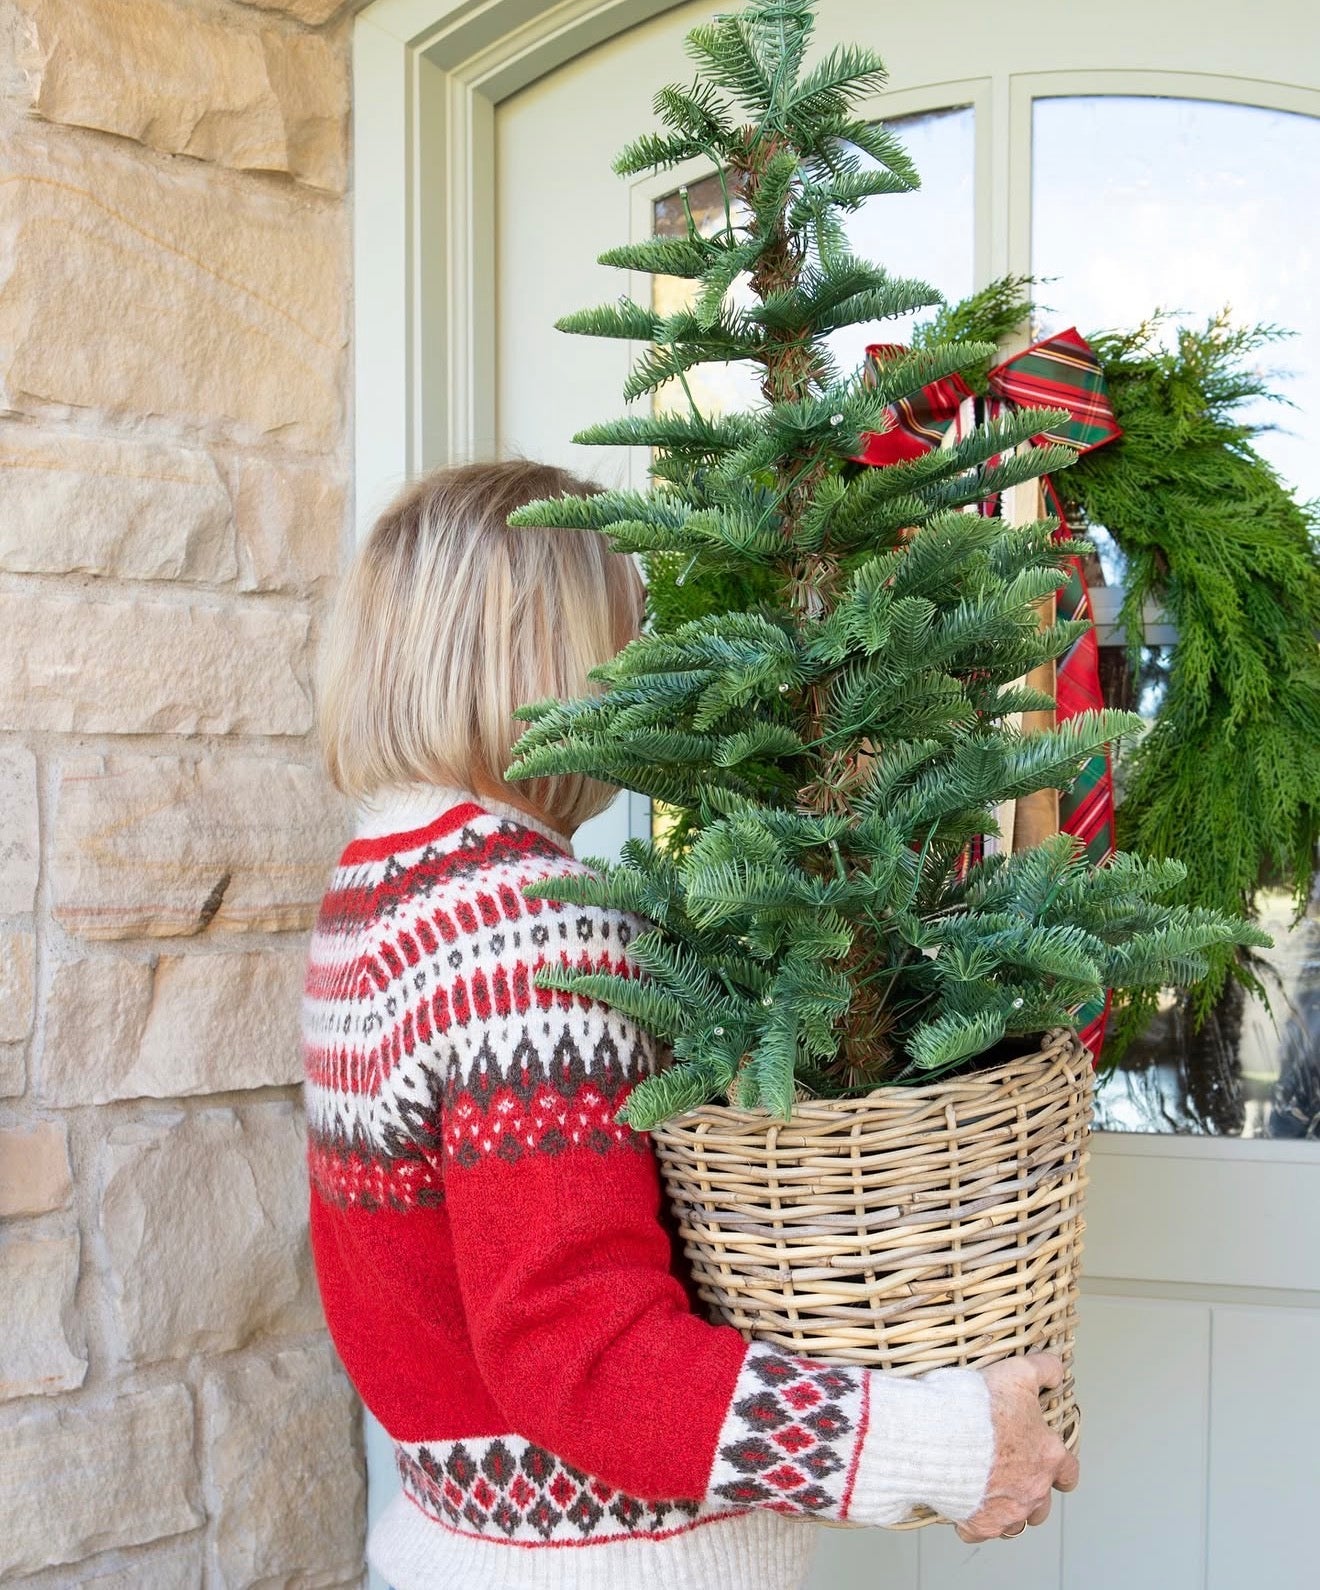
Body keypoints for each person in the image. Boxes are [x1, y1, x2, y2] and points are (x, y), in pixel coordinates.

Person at [302, 460, 1079, 1590]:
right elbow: (585, 1359)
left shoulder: (376, 890)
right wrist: (948, 1448)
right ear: (547, 653)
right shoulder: (517, 927)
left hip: (465, 1546)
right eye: (625, 633)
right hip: (605, 1569)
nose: (644, 667)